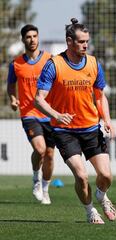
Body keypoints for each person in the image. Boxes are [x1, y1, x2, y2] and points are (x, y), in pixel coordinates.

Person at [35, 18, 116, 224]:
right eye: (81, 42)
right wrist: (55, 115)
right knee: (81, 176)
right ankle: (90, 211)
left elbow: (100, 95)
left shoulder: (93, 63)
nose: (85, 45)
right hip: (64, 131)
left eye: (87, 41)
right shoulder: (54, 65)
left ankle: (101, 195)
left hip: (91, 128)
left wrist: (106, 119)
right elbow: (39, 99)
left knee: (106, 176)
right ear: (69, 41)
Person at [7, 24, 55, 205]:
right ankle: (36, 179)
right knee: (40, 149)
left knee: (50, 155)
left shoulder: (50, 60)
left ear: (38, 38)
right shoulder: (16, 64)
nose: (32, 40)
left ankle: (45, 188)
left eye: (35, 36)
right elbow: (11, 86)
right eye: (28, 37)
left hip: (50, 114)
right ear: (23, 40)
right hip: (29, 113)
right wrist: (13, 99)